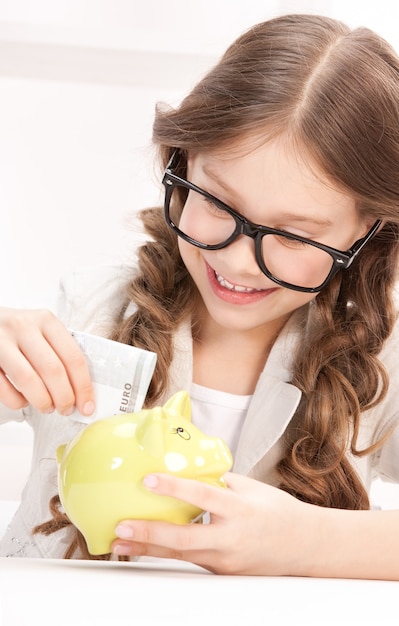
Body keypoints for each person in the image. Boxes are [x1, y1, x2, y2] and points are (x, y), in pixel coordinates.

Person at [1, 12, 399, 579]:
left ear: (364, 231)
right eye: (216, 203)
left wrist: (310, 541)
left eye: (292, 235)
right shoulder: (91, 311)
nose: (237, 261)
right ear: (183, 162)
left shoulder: (381, 361)